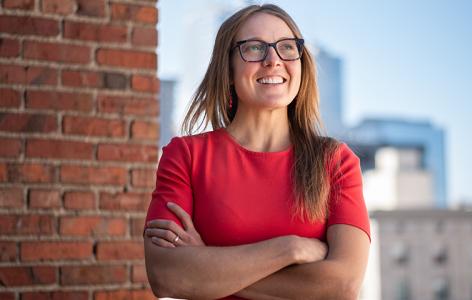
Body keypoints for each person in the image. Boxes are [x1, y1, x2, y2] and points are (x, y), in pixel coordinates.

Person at [143, 4, 370, 299]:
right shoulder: (185, 156)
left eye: (287, 47)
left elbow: (343, 285)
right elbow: (167, 276)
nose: (273, 60)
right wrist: (291, 248)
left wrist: (207, 267)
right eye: (253, 48)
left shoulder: (336, 162)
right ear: (228, 69)